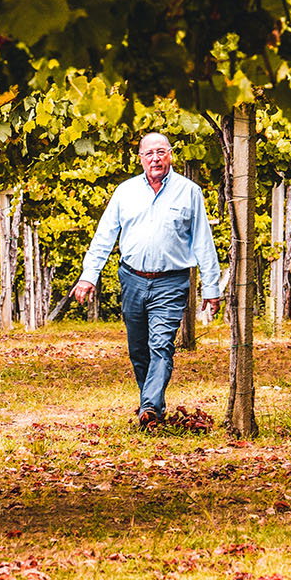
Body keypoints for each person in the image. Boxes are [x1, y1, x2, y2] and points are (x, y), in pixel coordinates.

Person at [72, 132, 223, 428]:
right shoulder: (125, 192)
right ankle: (151, 405)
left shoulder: (189, 191)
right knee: (138, 349)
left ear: (170, 155)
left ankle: (150, 407)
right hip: (132, 279)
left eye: (161, 152)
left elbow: (203, 241)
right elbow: (104, 236)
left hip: (171, 281)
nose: (155, 158)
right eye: (149, 153)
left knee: (161, 345)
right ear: (140, 158)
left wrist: (212, 287)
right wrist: (89, 276)